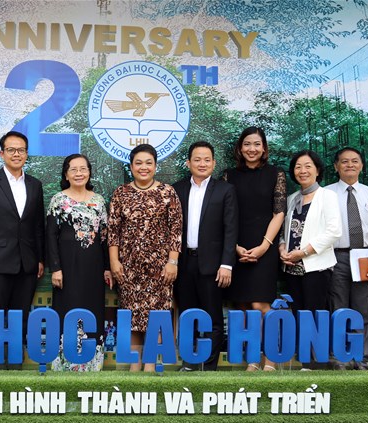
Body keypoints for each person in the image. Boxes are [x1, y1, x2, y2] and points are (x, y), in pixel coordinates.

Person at [0, 131, 45, 369]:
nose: (16, 154)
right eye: (11, 150)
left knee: (20, 316)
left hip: (27, 263)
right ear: (2, 153)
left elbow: (37, 226)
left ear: (26, 154)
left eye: (21, 150)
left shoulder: (35, 185)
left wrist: (40, 259)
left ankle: (15, 365)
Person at [109, 144, 182, 372]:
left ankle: (150, 364)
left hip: (160, 268)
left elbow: (176, 230)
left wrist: (172, 262)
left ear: (155, 166)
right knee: (132, 316)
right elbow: (113, 231)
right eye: (138, 163)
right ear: (131, 166)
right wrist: (114, 261)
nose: (144, 167)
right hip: (128, 267)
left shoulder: (168, 192)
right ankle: (135, 364)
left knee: (156, 316)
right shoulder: (121, 193)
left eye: (148, 163)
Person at [222, 127, 286, 371]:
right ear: (240, 148)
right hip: (236, 247)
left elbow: (279, 213)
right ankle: (252, 360)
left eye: (257, 144)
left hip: (265, 246)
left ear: (264, 148)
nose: (252, 149)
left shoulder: (276, 174)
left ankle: (270, 360)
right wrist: (235, 247)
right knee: (243, 306)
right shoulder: (228, 175)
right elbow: (224, 214)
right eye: (247, 144)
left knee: (261, 305)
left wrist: (264, 246)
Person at [325, 147, 368, 370]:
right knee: (338, 308)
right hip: (336, 256)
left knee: (365, 310)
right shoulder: (326, 194)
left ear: (361, 166)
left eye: (354, 161)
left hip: (366, 257)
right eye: (344, 161)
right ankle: (339, 357)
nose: (350, 165)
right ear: (336, 166)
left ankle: (360, 358)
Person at [173, 141, 238, 371]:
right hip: (183, 263)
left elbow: (231, 230)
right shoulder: (177, 189)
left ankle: (209, 368)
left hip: (213, 265)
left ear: (214, 163)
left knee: (213, 318)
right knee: (187, 315)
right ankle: (189, 364)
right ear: (188, 163)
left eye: (207, 159)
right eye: (197, 159)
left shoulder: (225, 190)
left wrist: (227, 265)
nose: (202, 163)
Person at [46, 153, 112, 368]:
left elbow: (104, 237)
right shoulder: (58, 200)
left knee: (92, 311)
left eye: (83, 169)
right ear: (66, 174)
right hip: (66, 268)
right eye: (73, 169)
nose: (79, 173)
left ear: (89, 172)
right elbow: (50, 236)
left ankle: (91, 364)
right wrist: (55, 268)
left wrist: (107, 268)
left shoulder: (98, 201)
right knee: (67, 310)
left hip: (93, 268)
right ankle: (64, 363)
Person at [279, 150, 342, 369]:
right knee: (298, 314)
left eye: (308, 166)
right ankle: (305, 361)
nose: (302, 171)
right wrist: (282, 249)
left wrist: (304, 252)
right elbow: (284, 232)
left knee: (315, 315)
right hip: (292, 267)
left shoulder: (327, 196)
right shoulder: (291, 199)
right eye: (298, 167)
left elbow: (334, 231)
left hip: (316, 266)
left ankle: (318, 362)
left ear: (317, 170)